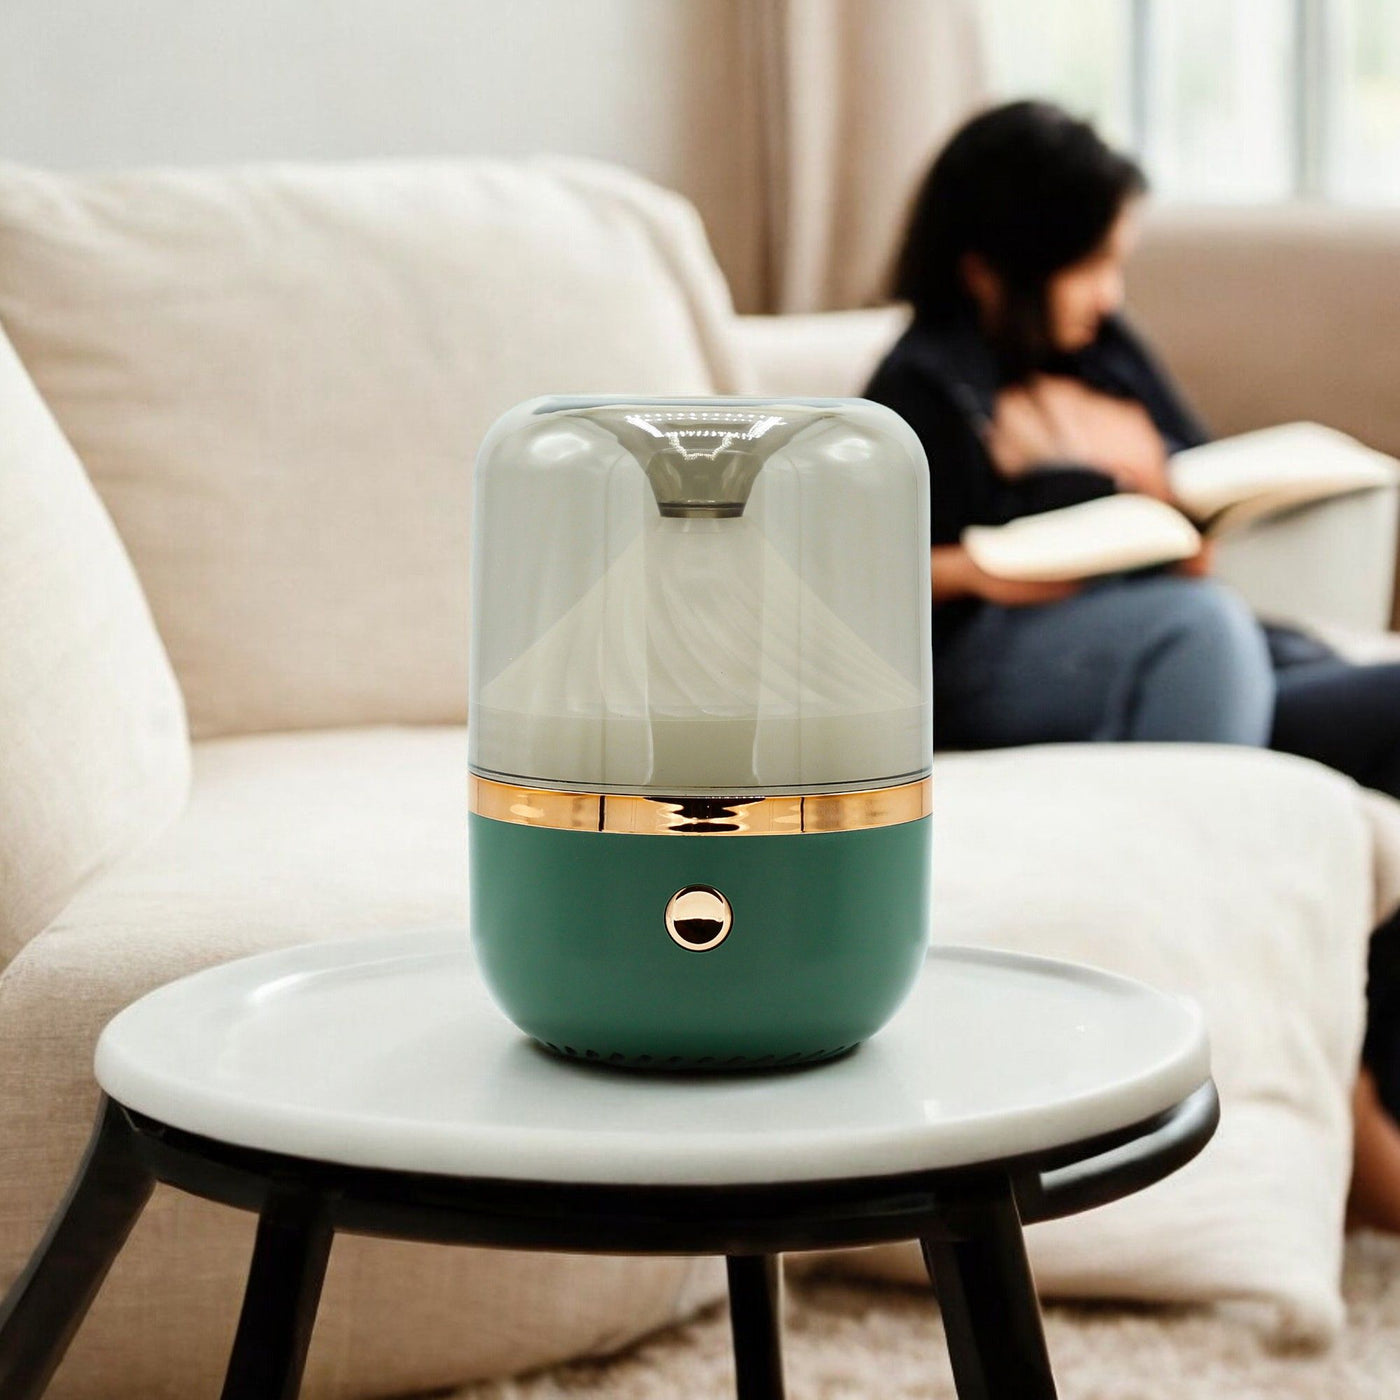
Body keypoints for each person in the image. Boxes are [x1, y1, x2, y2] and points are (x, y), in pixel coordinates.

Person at [865, 98, 1400, 1231]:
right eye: (1088, 265)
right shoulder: (921, 383)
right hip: (997, 663)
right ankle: (1299, 1072)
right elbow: (856, 572)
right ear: (991, 265)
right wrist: (978, 565)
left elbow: (1189, 520)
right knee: (1203, 636)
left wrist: (1148, 480)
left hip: (1181, 653)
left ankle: (1375, 1087)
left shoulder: (1105, 358)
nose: (1108, 294)